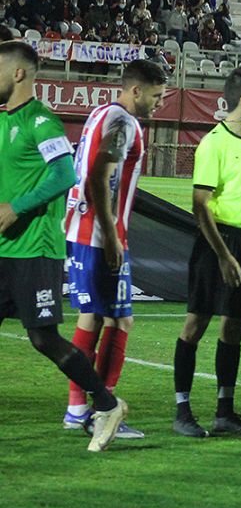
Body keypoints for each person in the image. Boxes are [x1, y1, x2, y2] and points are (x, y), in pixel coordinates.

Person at [0, 41, 127, 452]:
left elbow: (64, 174)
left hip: (35, 248)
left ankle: (106, 406)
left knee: (43, 338)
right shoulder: (5, 122)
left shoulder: (41, 122)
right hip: (5, 248)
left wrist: (16, 208)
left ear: (19, 73)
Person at [62, 60, 168, 439]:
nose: (160, 104)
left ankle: (78, 409)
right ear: (136, 90)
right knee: (119, 321)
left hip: (81, 229)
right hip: (100, 235)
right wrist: (111, 234)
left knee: (92, 318)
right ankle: (101, 410)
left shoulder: (100, 113)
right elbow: (100, 172)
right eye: (156, 96)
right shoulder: (124, 122)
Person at [171, 67, 241, 438]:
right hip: (218, 242)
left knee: (235, 326)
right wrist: (224, 256)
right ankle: (182, 411)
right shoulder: (212, 143)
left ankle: (224, 412)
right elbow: (201, 206)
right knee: (197, 322)